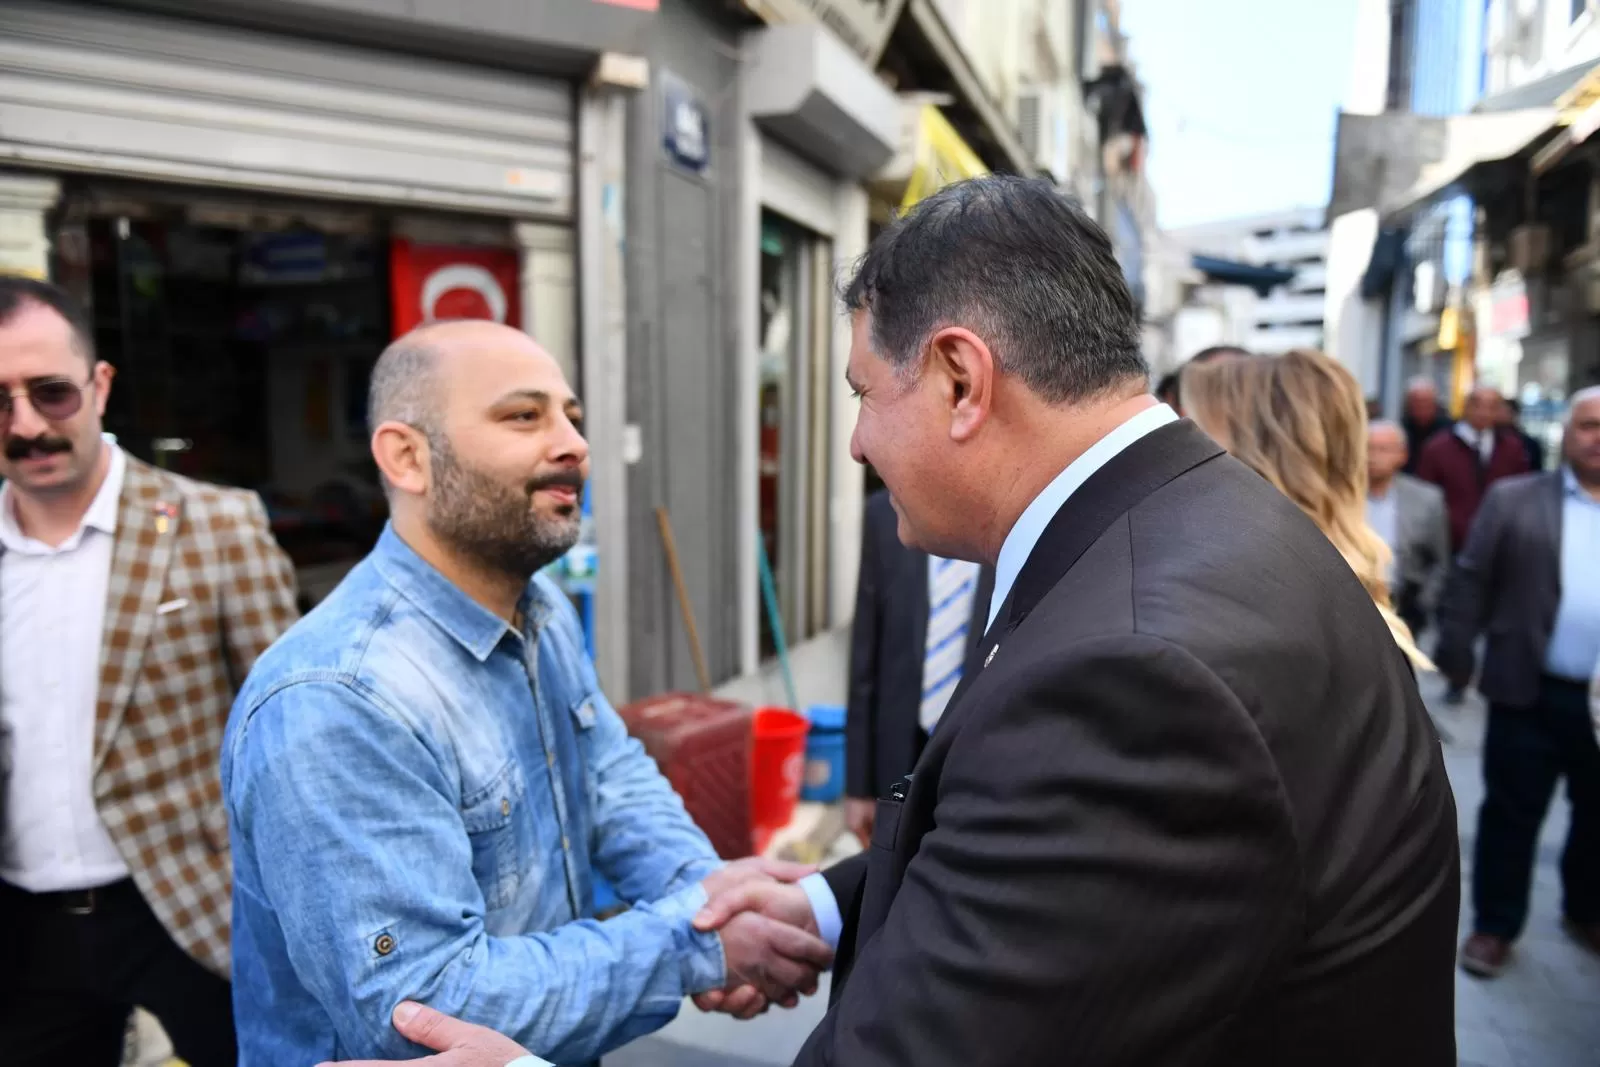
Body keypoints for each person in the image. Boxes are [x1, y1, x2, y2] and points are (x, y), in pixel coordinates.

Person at [326, 178, 1460, 1067]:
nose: (856, 442)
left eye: (865, 393)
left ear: (962, 381)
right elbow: (1051, 873)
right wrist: (820, 895)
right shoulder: (1193, 521)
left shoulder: (1135, 666)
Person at [223, 320, 832, 1066]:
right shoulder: (338, 700)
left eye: (572, 415)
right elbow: (426, 1009)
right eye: (524, 415)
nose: (573, 442)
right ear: (407, 456)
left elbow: (611, 778)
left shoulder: (536, 611)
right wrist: (696, 946)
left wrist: (709, 896)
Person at [0, 276, 299, 1065]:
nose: (26, 425)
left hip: (195, 909)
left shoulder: (217, 525)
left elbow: (293, 738)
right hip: (24, 934)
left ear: (99, 386)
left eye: (51, 393)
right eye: (0, 402)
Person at [1435, 385, 1600, 979]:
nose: (1597, 436)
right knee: (1511, 812)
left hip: (1599, 701)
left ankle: (1587, 910)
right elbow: (1472, 578)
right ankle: (1494, 926)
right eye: (1587, 425)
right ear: (1567, 433)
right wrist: (1457, 656)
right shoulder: (1515, 499)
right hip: (1529, 687)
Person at [1181, 353, 1432, 671]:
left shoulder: (1255, 602)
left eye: (1199, 433)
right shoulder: (1335, 591)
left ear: (1258, 456)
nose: (1182, 454)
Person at [844, 488, 993, 846]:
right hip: (898, 740)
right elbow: (866, 651)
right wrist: (858, 786)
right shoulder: (886, 512)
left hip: (975, 745)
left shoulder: (1005, 511)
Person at [1415, 384, 1531, 553]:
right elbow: (1423, 494)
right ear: (1465, 406)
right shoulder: (1437, 447)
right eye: (1477, 405)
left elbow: (1522, 492)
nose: (1483, 412)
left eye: (1492, 407)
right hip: (1449, 541)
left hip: (1499, 543)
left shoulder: (1512, 448)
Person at [1365, 419, 1451, 637]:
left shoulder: (1426, 499)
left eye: (1383, 449)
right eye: (1367, 448)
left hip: (1403, 606)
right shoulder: (1339, 498)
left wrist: (1423, 604)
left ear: (1402, 455)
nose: (1372, 456)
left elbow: (1439, 561)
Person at [1401, 376, 1452, 474]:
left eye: (1426, 401)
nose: (1422, 406)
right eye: (1417, 402)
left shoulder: (1449, 432)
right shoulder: (1401, 431)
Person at [1499, 395, 1545, 471]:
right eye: (1500, 411)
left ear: (1515, 414)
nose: (1502, 415)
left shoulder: (1529, 444)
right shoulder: (1490, 441)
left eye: (1506, 412)